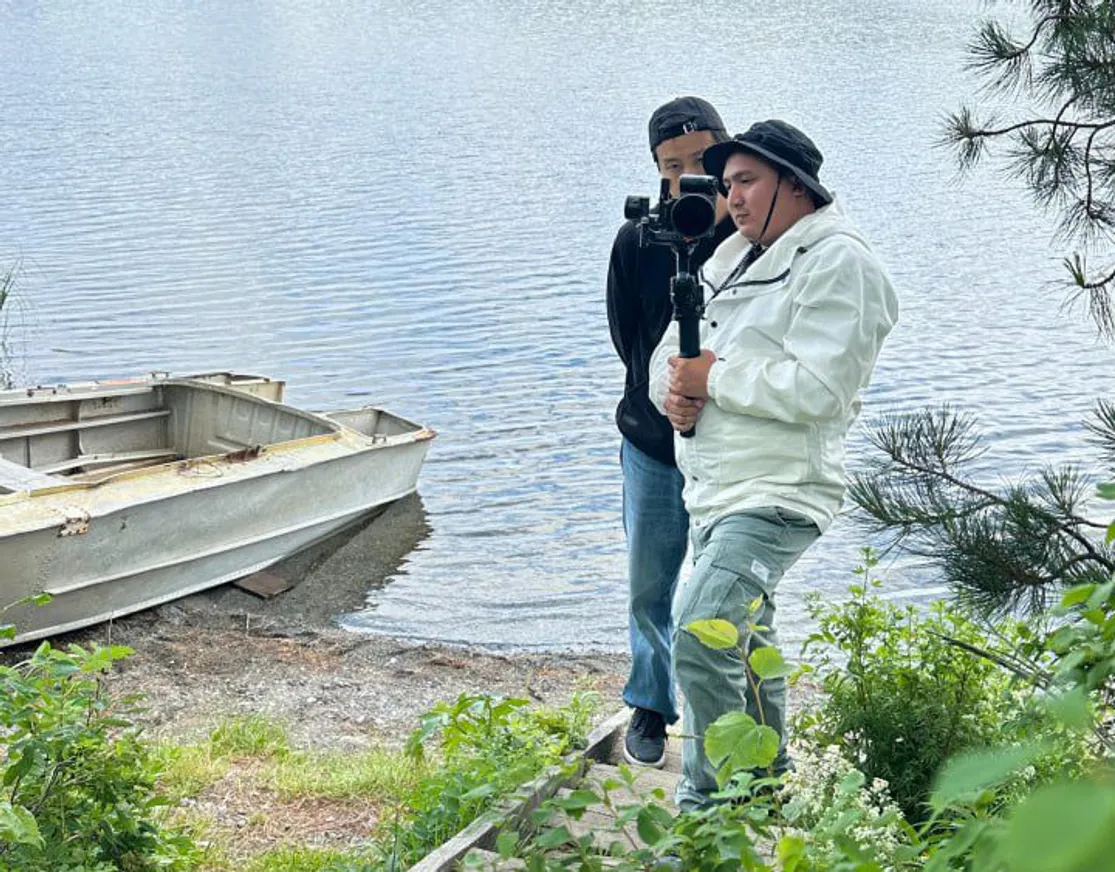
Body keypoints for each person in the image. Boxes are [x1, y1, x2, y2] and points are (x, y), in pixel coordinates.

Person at [649, 119, 899, 808]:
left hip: (779, 492)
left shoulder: (840, 262)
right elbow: (673, 350)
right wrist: (675, 393)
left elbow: (821, 389)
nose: (732, 197)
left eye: (747, 181)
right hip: (714, 488)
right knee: (746, 641)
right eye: (727, 184)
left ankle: (708, 810)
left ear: (795, 184)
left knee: (699, 632)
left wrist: (712, 380)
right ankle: (763, 790)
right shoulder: (733, 255)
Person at [607, 97, 737, 767]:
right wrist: (659, 397)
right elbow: (626, 336)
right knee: (648, 583)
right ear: (657, 171)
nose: (689, 177)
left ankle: (732, 719)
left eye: (701, 160)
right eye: (672, 166)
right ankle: (650, 705)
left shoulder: (755, 235)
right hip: (652, 442)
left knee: (727, 587)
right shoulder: (638, 240)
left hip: (731, 443)